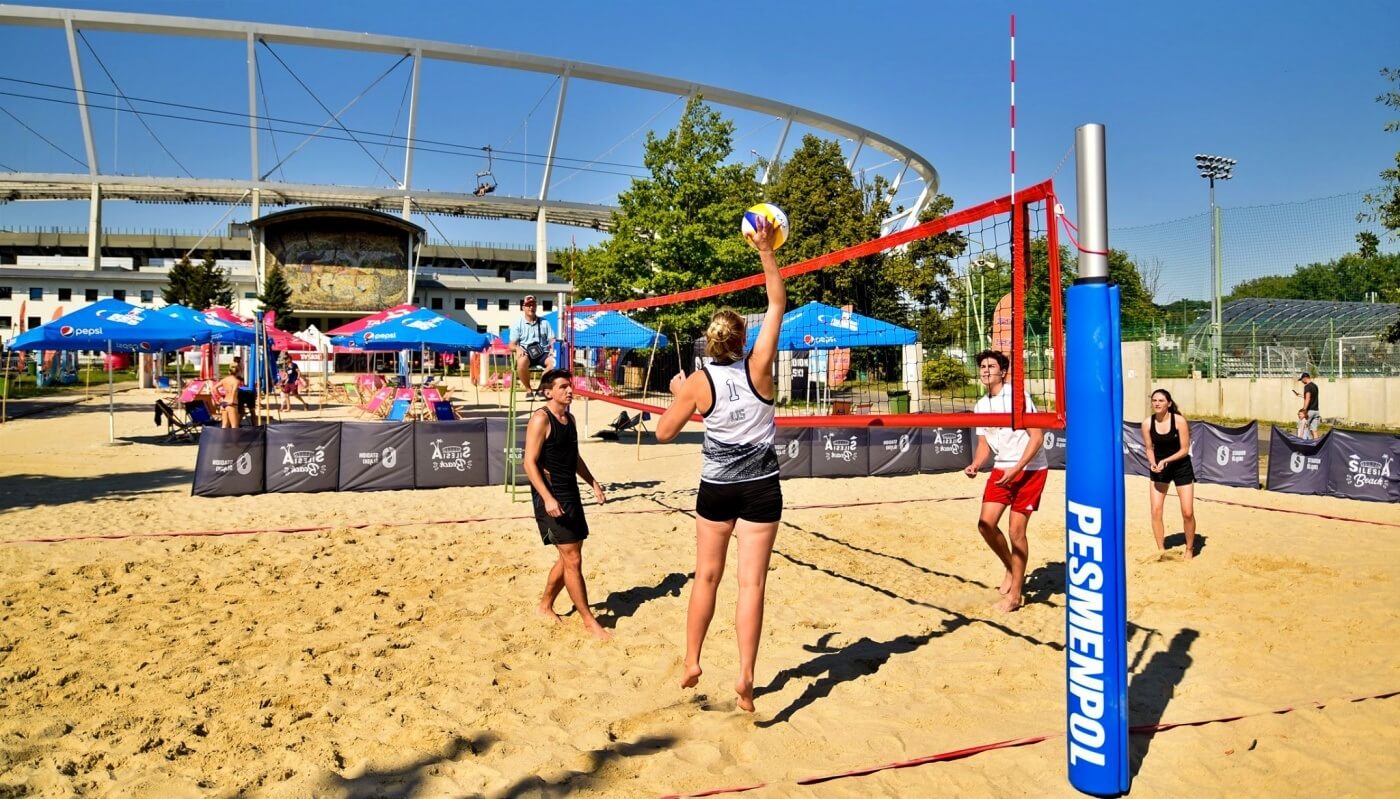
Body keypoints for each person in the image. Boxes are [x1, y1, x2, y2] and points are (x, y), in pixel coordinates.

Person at [657, 214, 784, 713]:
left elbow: (665, 431)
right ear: (742, 339)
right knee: (751, 584)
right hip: (762, 488)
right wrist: (765, 250)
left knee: (705, 577)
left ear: (709, 342)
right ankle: (747, 678)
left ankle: (692, 660)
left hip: (717, 488)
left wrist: (679, 396)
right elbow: (777, 302)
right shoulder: (760, 367)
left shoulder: (697, 381)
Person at [524, 368, 611, 641]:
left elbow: (574, 458)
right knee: (573, 559)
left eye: (570, 386)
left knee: (569, 556)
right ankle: (588, 620)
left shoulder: (569, 418)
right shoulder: (541, 419)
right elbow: (528, 463)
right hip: (550, 493)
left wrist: (593, 482)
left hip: (570, 491)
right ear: (548, 392)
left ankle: (544, 605)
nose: (570, 390)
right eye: (563, 387)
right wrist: (548, 498)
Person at [963, 349, 1048, 613]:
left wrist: (1018, 468)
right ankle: (1012, 567)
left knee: (1016, 532)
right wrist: (976, 464)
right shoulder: (981, 405)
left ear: (1003, 371)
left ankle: (1015, 596)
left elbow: (1037, 437)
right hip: (1002, 468)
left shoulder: (1017, 397)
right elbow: (984, 444)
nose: (985, 370)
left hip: (1031, 468)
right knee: (985, 524)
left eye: (991, 366)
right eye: (982, 367)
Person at [1141, 388, 1196, 560]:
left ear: (1169, 403)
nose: (1157, 403)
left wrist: (1166, 460)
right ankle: (1161, 550)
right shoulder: (1147, 423)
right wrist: (1153, 463)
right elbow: (1149, 448)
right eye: (1154, 400)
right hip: (1160, 468)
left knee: (1187, 512)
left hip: (1181, 466)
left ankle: (1189, 548)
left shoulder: (1179, 421)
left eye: (1161, 401)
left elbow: (1185, 450)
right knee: (1156, 511)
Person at [511, 295, 556, 400]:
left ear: (536, 306)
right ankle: (529, 390)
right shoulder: (518, 324)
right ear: (523, 307)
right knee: (521, 361)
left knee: (554, 362)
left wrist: (553, 349)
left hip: (543, 353)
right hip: (526, 353)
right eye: (528, 305)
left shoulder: (545, 322)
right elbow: (511, 345)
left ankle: (541, 389)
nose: (531, 307)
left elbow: (552, 340)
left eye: (533, 305)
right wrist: (517, 348)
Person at [215, 355, 244, 428]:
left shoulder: (224, 379)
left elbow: (214, 388)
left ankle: (223, 439)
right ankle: (234, 439)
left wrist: (220, 397)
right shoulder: (236, 381)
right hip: (231, 403)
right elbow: (234, 391)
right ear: (238, 372)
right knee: (234, 426)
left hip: (224, 402)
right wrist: (231, 399)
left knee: (224, 425)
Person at [1293, 372, 1320, 440]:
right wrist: (1300, 395)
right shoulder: (1315, 386)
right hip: (1316, 411)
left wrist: (1304, 410)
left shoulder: (1307, 386)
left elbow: (1308, 398)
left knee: (1301, 427)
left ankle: (1303, 445)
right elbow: (1311, 397)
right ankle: (1316, 445)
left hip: (1309, 411)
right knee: (1314, 430)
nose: (1301, 381)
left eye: (1301, 380)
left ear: (1304, 378)